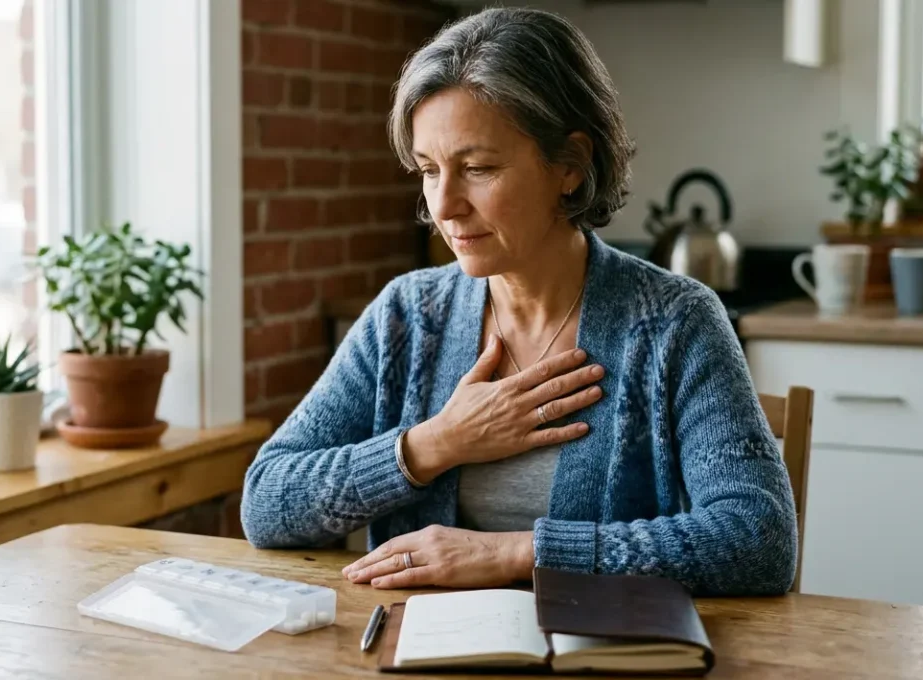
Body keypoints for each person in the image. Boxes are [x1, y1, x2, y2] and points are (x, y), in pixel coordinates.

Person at [239, 6, 797, 597]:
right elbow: (267, 502)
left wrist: (511, 554)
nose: (443, 206)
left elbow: (758, 540)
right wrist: (436, 443)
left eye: (478, 168)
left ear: (571, 167)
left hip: (597, 656)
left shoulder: (674, 322)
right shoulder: (406, 315)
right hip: (416, 651)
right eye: (428, 170)